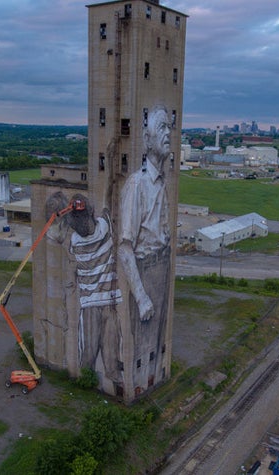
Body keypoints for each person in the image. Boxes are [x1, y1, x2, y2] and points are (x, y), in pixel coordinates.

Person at [118, 106, 172, 392]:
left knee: (157, 343)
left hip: (162, 268)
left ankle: (152, 388)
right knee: (143, 347)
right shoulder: (136, 185)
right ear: (147, 139)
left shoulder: (162, 182)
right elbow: (124, 249)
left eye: (170, 129)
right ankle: (137, 390)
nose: (169, 135)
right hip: (146, 272)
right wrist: (141, 297)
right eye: (162, 128)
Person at [64, 194, 123, 391]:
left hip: (89, 302)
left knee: (88, 349)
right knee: (111, 347)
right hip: (109, 300)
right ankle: (114, 377)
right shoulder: (105, 227)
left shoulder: (74, 240)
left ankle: (87, 379)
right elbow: (107, 211)